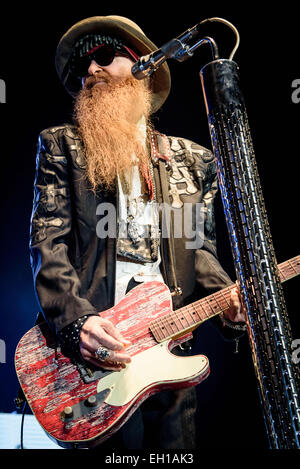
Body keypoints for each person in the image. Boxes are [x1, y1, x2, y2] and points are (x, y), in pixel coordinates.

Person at [29, 15, 246, 450]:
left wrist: (229, 300)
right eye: (82, 68)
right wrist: (78, 322)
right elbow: (46, 243)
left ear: (140, 65)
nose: (91, 71)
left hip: (171, 345)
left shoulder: (193, 159)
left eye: (104, 57)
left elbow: (198, 250)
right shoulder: (63, 145)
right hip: (98, 350)